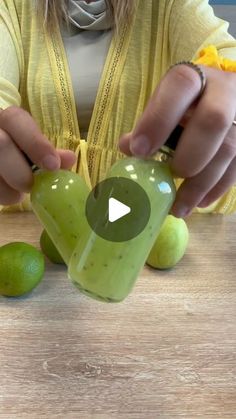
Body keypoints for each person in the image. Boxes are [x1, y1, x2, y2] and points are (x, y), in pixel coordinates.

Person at [0, 0, 236, 217]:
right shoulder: (11, 6)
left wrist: (226, 88)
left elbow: (224, 52)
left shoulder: (173, 4)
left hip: (153, 222)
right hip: (36, 223)